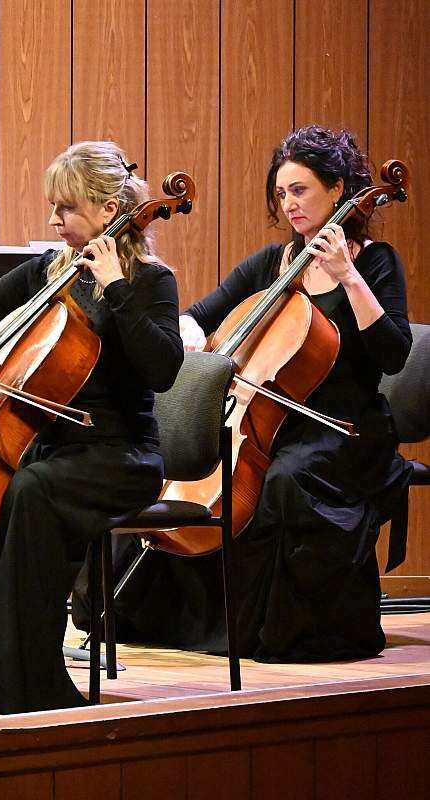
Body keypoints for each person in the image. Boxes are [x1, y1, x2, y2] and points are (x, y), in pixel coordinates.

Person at [90, 124, 413, 663]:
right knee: (172, 465)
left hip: (346, 432)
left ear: (337, 189)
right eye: (282, 193)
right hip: (268, 421)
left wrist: (350, 279)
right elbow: (200, 314)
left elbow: (394, 353)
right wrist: (188, 334)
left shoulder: (376, 262)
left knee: (285, 480)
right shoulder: (272, 263)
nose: (289, 204)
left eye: (300, 189)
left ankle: (275, 631)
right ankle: (171, 619)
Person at [0, 141, 183, 713]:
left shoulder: (150, 282)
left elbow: (164, 368)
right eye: (53, 206)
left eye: (66, 208)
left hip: (120, 455)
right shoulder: (47, 271)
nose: (54, 220)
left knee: (30, 491)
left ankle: (22, 681)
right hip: (50, 449)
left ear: (107, 211)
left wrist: (115, 290)